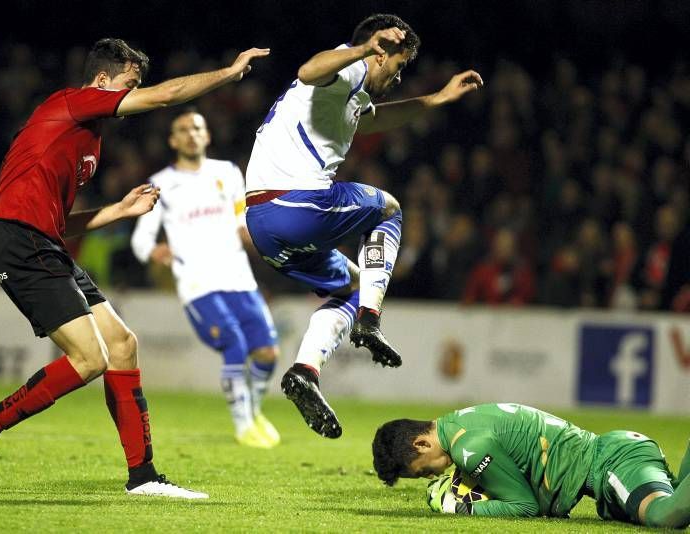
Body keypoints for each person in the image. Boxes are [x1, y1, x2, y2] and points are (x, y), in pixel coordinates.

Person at [0, 38, 269, 499]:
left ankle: (142, 476)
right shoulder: (72, 103)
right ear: (102, 81)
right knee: (89, 359)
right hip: (20, 241)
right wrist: (226, 74)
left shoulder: (88, 140)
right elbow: (164, 96)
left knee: (122, 345)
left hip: (44, 241)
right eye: (128, 84)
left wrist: (119, 211)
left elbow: (62, 224)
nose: (133, 93)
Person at [244, 13, 482, 438]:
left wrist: (437, 99)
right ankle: (371, 318)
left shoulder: (347, 96)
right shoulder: (347, 66)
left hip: (265, 225)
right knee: (389, 210)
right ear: (380, 51)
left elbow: (377, 118)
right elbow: (307, 69)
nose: (397, 75)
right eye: (399, 65)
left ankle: (304, 372)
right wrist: (363, 49)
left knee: (351, 286)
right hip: (298, 202)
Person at [130, 110, 281, 449]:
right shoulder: (160, 183)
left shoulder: (227, 173)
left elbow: (243, 219)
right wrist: (155, 253)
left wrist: (258, 236)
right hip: (197, 284)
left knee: (268, 353)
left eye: (197, 127)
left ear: (207, 135)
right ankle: (243, 426)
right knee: (234, 343)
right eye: (182, 129)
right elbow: (141, 239)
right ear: (172, 140)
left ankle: (253, 411)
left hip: (239, 278)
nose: (190, 134)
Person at [372, 403, 690, 528]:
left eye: (426, 470)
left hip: (613, 463)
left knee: (665, 516)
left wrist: (463, 509)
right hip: (613, 456)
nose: (438, 474)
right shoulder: (460, 422)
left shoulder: (468, 446)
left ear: (421, 444)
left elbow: (524, 506)